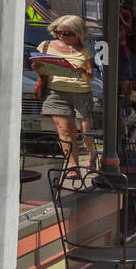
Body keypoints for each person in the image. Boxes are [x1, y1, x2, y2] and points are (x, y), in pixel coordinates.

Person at [31, 15, 96, 179]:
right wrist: (38, 69)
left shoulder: (85, 50)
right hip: (56, 92)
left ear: (78, 33)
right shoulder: (46, 46)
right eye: (57, 32)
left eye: (67, 33)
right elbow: (43, 71)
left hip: (81, 93)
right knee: (65, 130)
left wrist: (80, 71)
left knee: (86, 131)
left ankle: (92, 155)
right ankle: (74, 166)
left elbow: (91, 77)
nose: (61, 36)